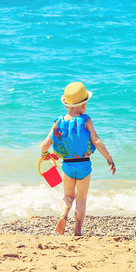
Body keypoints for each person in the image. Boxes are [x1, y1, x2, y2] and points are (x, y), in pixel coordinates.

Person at [39, 81, 115, 236]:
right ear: (84, 105)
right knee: (81, 200)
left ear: (66, 105)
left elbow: (45, 144)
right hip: (84, 165)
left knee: (68, 196)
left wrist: (44, 155)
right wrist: (109, 158)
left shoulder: (58, 122)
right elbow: (96, 140)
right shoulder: (86, 120)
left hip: (67, 165)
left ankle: (63, 216)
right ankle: (77, 230)